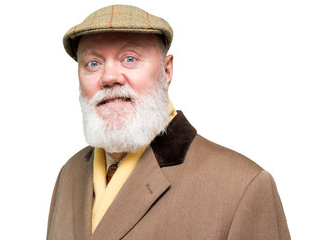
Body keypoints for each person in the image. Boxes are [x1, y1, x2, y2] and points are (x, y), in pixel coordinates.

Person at [47, 4, 290, 240]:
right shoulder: (69, 175)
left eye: (130, 59)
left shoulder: (244, 187)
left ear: (167, 71)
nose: (109, 77)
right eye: (93, 63)